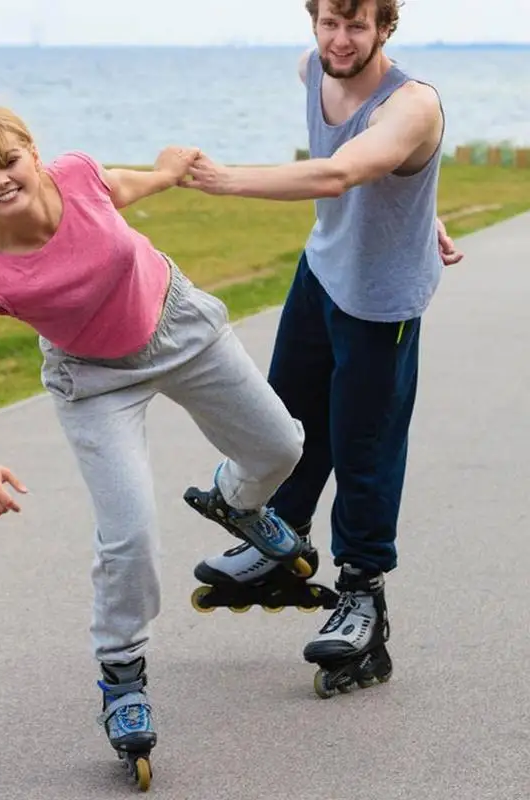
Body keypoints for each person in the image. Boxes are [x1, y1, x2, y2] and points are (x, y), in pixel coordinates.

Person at [0, 105, 309, 783]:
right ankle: (122, 676)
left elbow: (125, 188)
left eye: (7, 160)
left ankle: (238, 505)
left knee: (281, 449)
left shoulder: (78, 176)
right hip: (93, 380)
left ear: (33, 152)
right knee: (130, 534)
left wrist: (169, 170)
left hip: (178, 325)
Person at [180, 0, 464, 695]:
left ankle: (364, 595)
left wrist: (223, 179)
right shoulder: (312, 66)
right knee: (287, 421)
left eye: (357, 26)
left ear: (386, 28)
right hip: (324, 269)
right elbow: (375, 177)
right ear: (313, 22)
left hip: (380, 301)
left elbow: (343, 171)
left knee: (363, 446)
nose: (341, 40)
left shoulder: (413, 103)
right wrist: (427, 213)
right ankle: (282, 544)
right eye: (329, 23)